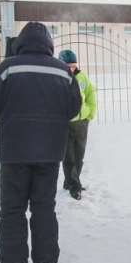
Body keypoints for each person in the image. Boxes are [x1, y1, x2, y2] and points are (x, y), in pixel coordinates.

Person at [0, 22, 82, 263]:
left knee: (12, 209)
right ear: (49, 44)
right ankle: (46, 261)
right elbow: (73, 108)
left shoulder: (7, 68)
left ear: (20, 42)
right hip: (50, 150)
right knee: (44, 206)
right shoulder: (63, 71)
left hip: (14, 150)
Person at [58, 49, 97, 200]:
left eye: (73, 66)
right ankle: (74, 186)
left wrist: (89, 114)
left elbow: (90, 96)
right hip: (65, 123)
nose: (72, 69)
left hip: (81, 122)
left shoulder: (82, 77)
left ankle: (71, 182)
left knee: (79, 155)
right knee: (69, 156)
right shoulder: (57, 78)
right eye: (68, 66)